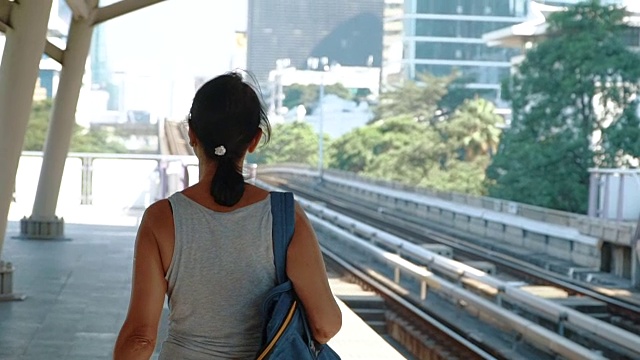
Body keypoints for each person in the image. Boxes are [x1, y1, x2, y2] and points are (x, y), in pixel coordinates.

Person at [114, 72, 342, 359]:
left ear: (191, 134)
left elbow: (140, 338)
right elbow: (325, 325)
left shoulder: (162, 218)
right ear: (255, 140)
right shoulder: (284, 217)